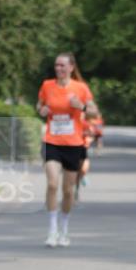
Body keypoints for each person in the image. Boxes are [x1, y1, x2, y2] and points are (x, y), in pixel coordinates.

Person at [37, 53, 97, 247]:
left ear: (71, 67)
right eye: (56, 65)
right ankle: (52, 230)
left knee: (68, 191)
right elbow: (40, 105)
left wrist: (80, 106)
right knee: (53, 184)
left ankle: (64, 229)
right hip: (52, 141)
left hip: (73, 144)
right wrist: (42, 110)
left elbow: (94, 112)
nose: (59, 69)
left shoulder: (81, 88)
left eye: (62, 66)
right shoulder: (47, 86)